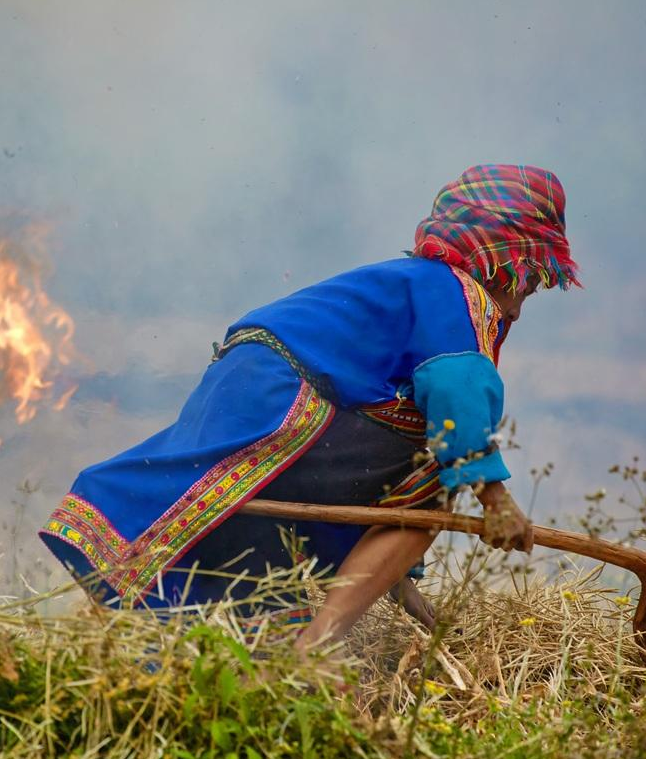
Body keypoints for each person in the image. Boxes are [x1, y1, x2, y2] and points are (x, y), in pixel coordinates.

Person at [39, 164, 579, 647]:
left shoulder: (408, 282)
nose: (527, 297)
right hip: (285, 394)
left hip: (248, 380)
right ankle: (316, 648)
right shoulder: (455, 292)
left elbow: (384, 483)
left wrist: (401, 585)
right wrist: (495, 498)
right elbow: (455, 392)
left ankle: (179, 639)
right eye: (531, 280)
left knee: (270, 521)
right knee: (431, 493)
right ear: (508, 259)